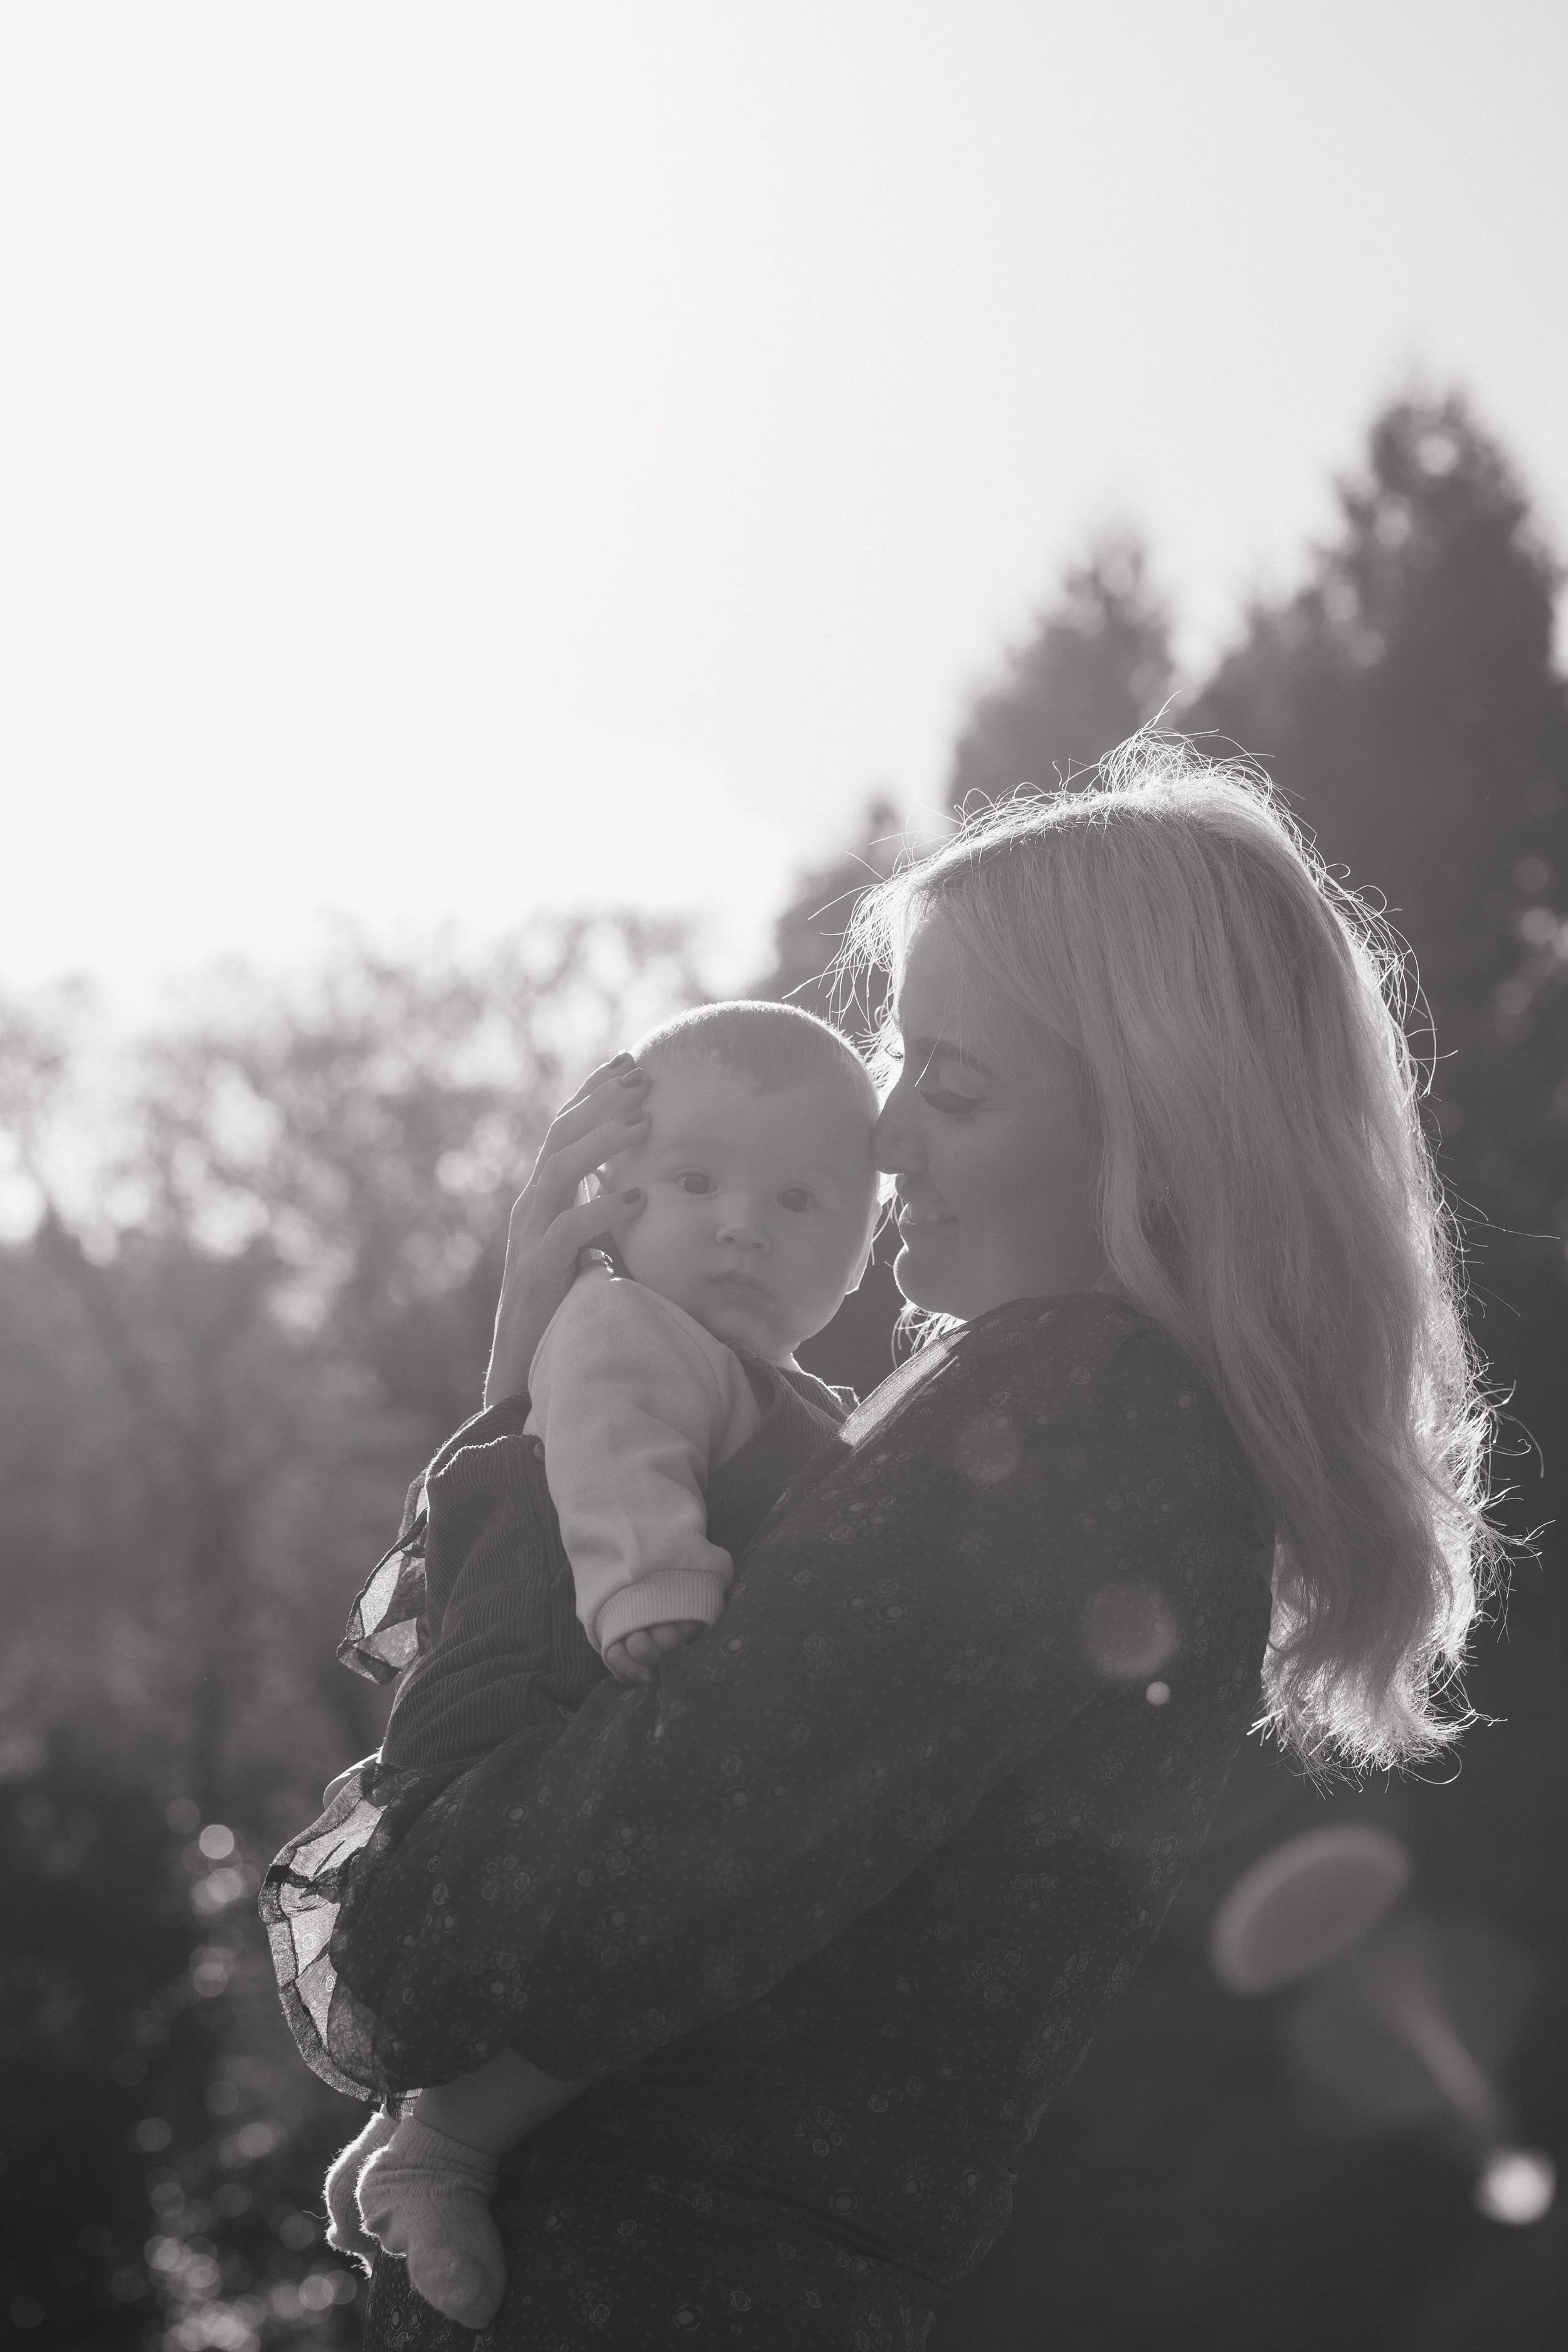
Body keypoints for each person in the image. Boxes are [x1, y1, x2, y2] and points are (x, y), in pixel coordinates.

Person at [290, 738, 1509, 2349]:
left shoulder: (1080, 1409)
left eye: (950, 1085)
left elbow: (444, 1939)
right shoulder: (1050, 1423)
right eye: (891, 1070)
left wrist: (535, 1429)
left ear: (1149, 1125)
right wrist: (552, 1402)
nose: (879, 1140)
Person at [264, 1001, 881, 2324]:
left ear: (860, 1245)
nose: (739, 1226)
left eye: (795, 1201)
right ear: (613, 1204)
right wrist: (652, 1590)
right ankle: (439, 2148)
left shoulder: (774, 1389)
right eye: (695, 1184)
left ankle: (408, 2139)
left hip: (565, 1707)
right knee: (610, 1939)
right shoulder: (621, 1328)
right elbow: (611, 1454)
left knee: (608, 1943)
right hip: (546, 1698)